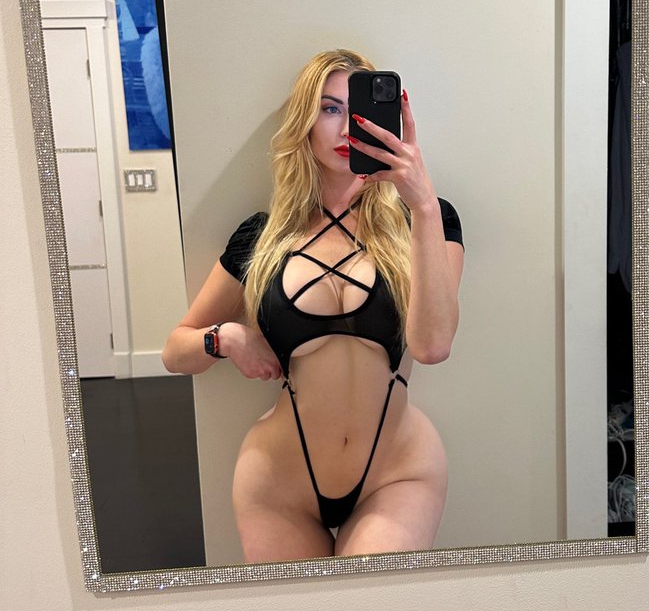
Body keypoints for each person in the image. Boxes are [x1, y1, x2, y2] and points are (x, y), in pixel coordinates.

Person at [162, 49, 464, 562]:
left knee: (373, 610)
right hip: (279, 481)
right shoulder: (262, 237)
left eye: (357, 109)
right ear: (304, 122)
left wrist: (423, 203)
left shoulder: (425, 221)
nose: (346, 126)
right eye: (329, 108)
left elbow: (433, 347)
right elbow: (175, 351)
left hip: (397, 473)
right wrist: (224, 338)